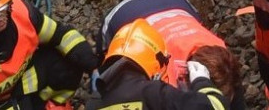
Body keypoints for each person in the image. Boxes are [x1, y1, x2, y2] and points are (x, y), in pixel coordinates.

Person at [97, 0, 243, 108]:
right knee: (112, 84)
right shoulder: (167, 79)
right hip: (120, 18)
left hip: (176, 1)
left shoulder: (226, 66)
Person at [87, 18, 229, 110]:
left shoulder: (93, 103)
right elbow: (215, 107)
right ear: (156, 61)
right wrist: (201, 81)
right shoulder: (154, 93)